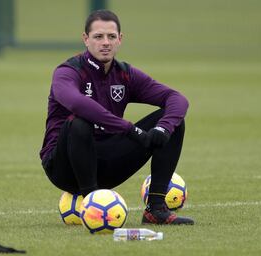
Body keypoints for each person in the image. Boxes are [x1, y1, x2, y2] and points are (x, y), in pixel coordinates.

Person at [39, 10, 194, 225]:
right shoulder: (67, 71)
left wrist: (163, 129)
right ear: (86, 39)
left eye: (111, 37)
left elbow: (177, 98)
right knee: (80, 121)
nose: (105, 43)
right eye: (98, 37)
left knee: (174, 121)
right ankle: (92, 203)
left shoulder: (125, 74)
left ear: (120, 39)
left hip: (107, 164)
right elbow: (77, 103)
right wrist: (130, 129)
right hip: (63, 167)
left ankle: (156, 209)